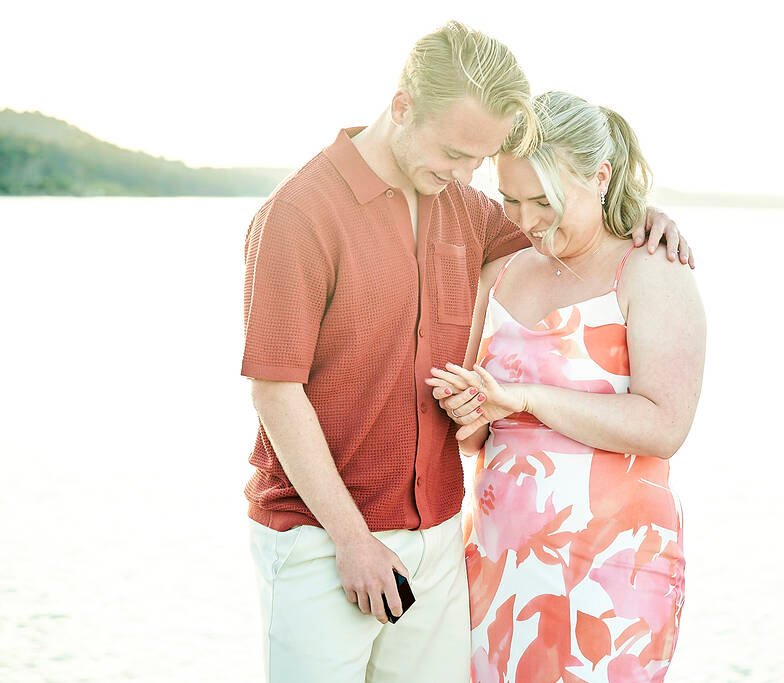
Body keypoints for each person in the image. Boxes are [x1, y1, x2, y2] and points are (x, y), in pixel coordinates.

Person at [241, 23, 693, 683]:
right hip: (322, 540)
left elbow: (570, 222)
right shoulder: (300, 215)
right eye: (454, 152)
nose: (463, 175)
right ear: (402, 107)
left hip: (442, 541)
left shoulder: (465, 206)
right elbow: (274, 391)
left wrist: (643, 216)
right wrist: (351, 538)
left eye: (478, 162)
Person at [427, 91, 706, 682]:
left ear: (600, 178)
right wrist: (468, 410)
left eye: (544, 201)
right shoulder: (498, 273)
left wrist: (526, 398)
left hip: (614, 567)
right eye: (511, 199)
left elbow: (665, 427)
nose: (527, 220)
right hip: (499, 556)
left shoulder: (651, 270)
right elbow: (473, 438)